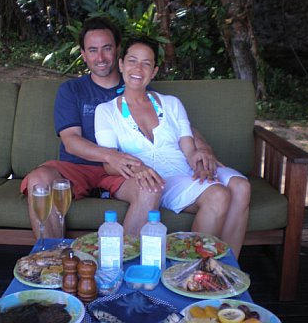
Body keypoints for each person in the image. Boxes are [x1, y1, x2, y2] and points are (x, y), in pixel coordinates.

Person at [20, 17, 218, 240]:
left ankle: (122, 262)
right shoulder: (72, 90)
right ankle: (53, 258)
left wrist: (204, 148)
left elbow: (181, 126)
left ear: (118, 51)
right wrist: (112, 156)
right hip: (80, 168)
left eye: (107, 48)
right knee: (39, 178)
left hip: (122, 172)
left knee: (150, 187)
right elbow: (71, 141)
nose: (101, 57)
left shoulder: (136, 83)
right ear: (84, 55)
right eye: (93, 50)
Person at [94, 37, 251, 257]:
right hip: (162, 177)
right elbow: (110, 163)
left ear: (155, 71)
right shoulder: (106, 111)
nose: (138, 68)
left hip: (185, 167)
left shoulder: (171, 103)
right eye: (132, 61)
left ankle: (226, 267)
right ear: (121, 64)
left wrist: (200, 164)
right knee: (218, 195)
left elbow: (188, 148)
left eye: (146, 63)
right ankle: (193, 270)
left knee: (241, 187)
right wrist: (138, 169)